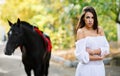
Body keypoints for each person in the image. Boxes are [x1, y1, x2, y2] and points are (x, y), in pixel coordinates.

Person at [74, 6, 110, 76]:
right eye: (88, 17)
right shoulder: (81, 31)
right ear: (83, 18)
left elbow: (107, 49)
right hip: (86, 69)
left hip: (100, 69)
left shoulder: (99, 30)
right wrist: (98, 57)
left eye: (92, 17)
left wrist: (93, 51)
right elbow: (80, 55)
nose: (90, 20)